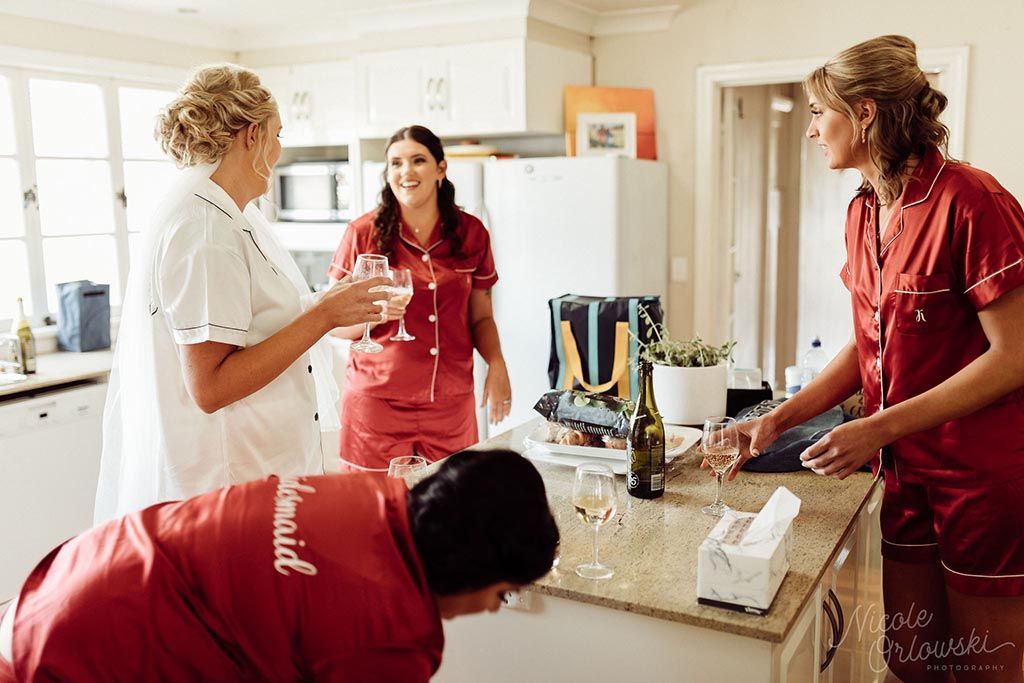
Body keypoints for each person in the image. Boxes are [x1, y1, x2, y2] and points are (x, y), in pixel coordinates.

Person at [733, 36, 1024, 682]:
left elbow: (1013, 357)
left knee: (983, 671)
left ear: (865, 113)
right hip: (905, 472)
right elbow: (867, 345)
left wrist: (878, 425)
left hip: (981, 480)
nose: (812, 129)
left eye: (819, 111)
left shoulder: (971, 202)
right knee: (908, 662)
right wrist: (775, 421)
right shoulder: (863, 212)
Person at [94, 64, 391, 524]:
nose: (279, 148)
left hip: (265, 469)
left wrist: (333, 304)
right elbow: (211, 387)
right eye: (277, 133)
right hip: (232, 483)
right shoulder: (205, 230)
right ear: (252, 135)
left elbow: (261, 327)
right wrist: (323, 316)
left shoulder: (232, 217)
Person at [0, 449, 559, 681]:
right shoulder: (395, 633)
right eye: (502, 593)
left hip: (72, 581)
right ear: (472, 564)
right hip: (86, 657)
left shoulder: (368, 498)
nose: (490, 609)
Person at [327, 125, 512, 472]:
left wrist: (497, 364)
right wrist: (375, 313)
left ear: (441, 169)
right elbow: (333, 323)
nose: (405, 172)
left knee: (451, 513)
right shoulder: (361, 234)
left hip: (450, 404)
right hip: (376, 403)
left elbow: (481, 317)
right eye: (395, 163)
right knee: (375, 513)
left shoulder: (472, 233)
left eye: (418, 161)